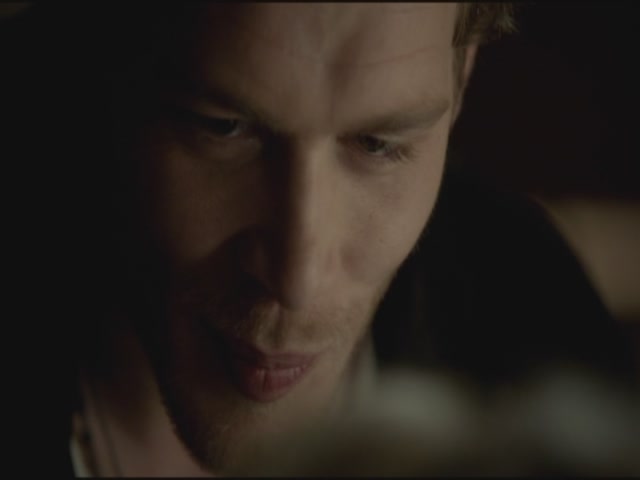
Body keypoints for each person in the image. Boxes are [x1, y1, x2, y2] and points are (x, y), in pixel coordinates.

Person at [2, 3, 637, 476]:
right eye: (221, 128)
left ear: (462, 77)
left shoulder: (534, 326)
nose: (297, 279)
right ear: (105, 56)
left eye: (379, 145)